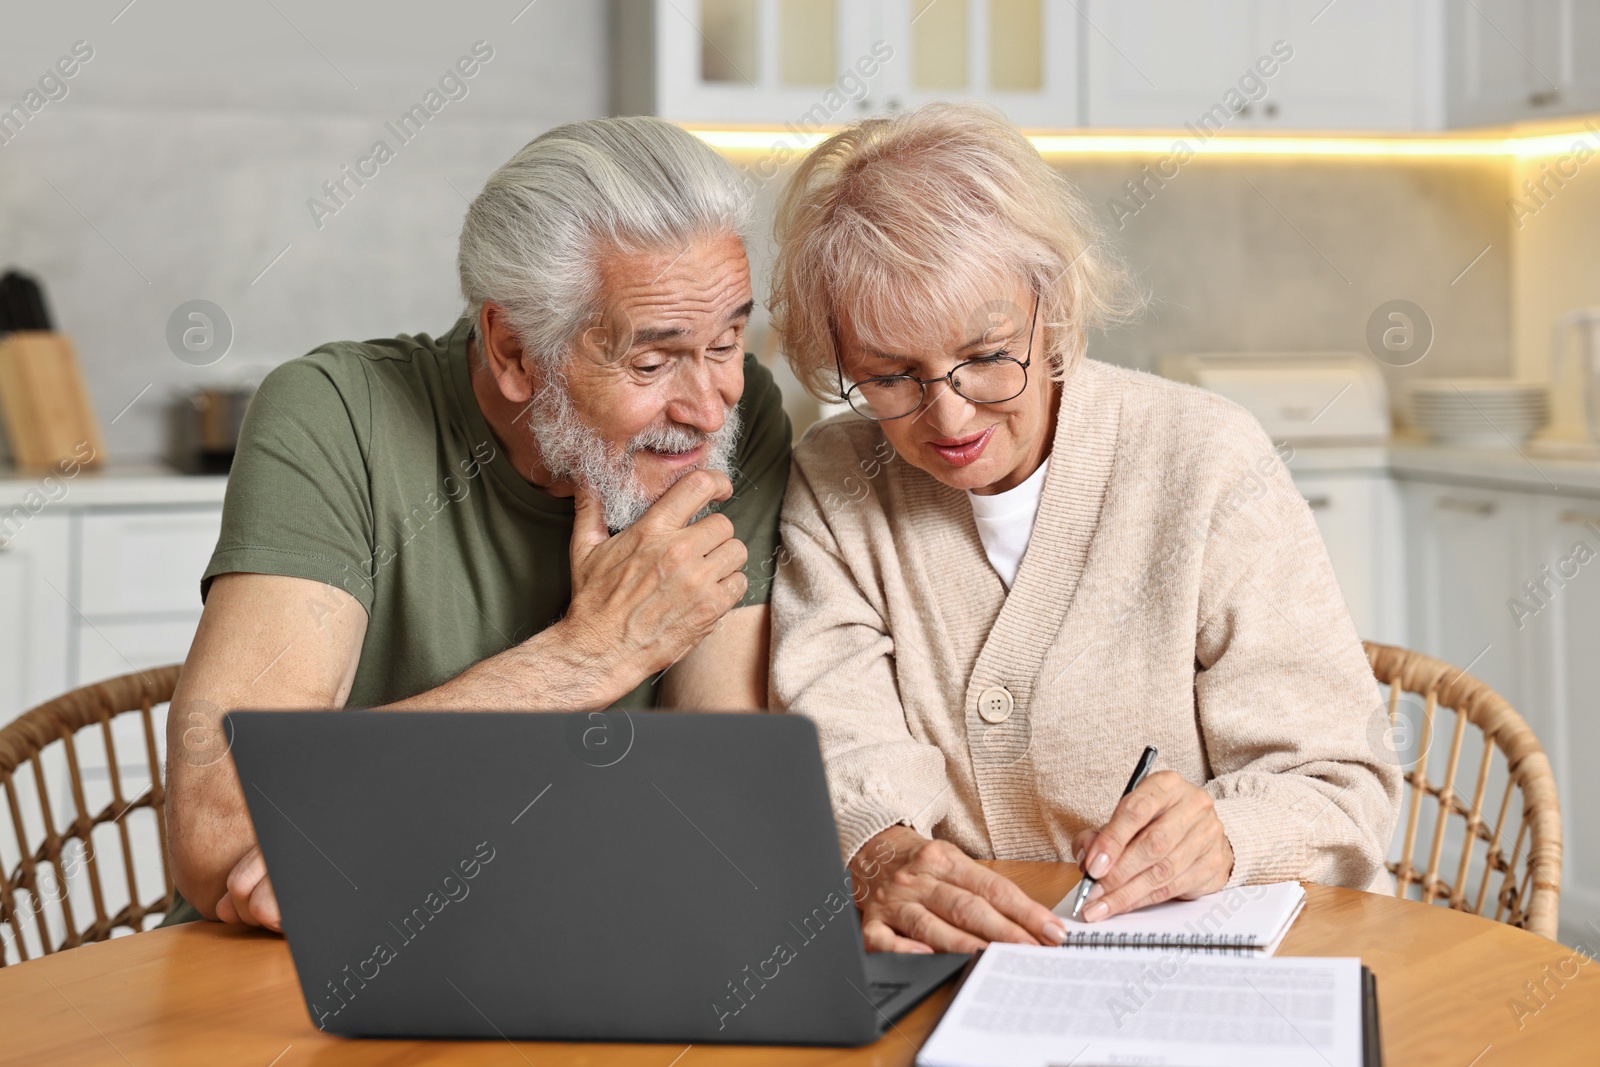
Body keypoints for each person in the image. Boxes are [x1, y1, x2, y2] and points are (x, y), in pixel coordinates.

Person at [767, 103, 1400, 955]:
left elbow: (1341, 781)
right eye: (889, 377)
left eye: (987, 355)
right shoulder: (836, 481)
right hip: (955, 970)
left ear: (1052, 303)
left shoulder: (1206, 457)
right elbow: (839, 747)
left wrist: (1226, 834)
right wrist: (880, 850)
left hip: (1233, 967)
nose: (949, 414)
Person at [165, 117, 791, 931]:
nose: (709, 406)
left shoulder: (738, 429)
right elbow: (219, 827)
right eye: (651, 361)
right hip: (281, 982)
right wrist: (589, 656)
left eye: (729, 341)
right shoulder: (337, 417)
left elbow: (722, 819)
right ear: (515, 350)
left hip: (572, 950)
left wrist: (370, 831)